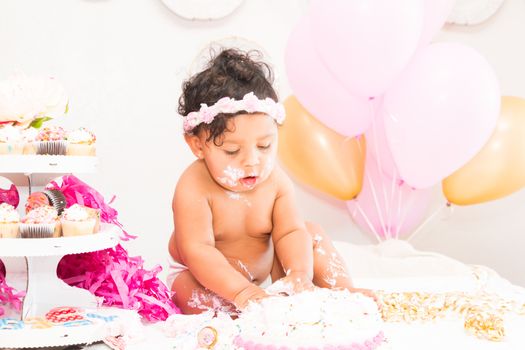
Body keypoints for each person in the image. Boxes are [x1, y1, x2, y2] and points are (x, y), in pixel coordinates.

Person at [168, 48, 375, 314]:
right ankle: (239, 313)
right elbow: (197, 250)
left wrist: (299, 273)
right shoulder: (194, 187)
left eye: (264, 146)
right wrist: (241, 292)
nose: (252, 161)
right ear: (197, 145)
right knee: (185, 288)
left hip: (264, 284)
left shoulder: (274, 182)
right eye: (232, 151)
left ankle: (339, 291)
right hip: (209, 279)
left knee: (309, 232)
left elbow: (289, 232)